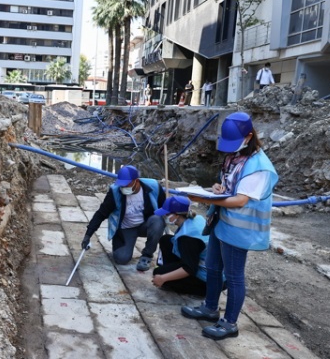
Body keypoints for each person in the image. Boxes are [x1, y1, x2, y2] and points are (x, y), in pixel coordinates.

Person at [180, 112, 278, 340]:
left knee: (234, 276)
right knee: (213, 267)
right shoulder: (235, 157)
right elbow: (229, 187)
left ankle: (229, 323)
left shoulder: (259, 166)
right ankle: (210, 308)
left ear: (249, 136)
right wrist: (217, 188)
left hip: (239, 230)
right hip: (221, 222)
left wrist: (203, 199)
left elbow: (241, 200)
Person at [81, 165, 166, 271]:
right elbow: (101, 213)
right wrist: (88, 235)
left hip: (145, 225)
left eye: (126, 185)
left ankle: (147, 256)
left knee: (157, 221)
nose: (123, 188)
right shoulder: (115, 192)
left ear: (136, 181)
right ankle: (124, 244)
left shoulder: (153, 187)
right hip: (126, 228)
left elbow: (165, 207)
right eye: (121, 185)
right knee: (121, 259)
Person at [152, 196, 214, 296]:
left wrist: (163, 278)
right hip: (205, 266)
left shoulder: (188, 238)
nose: (164, 216)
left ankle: (198, 292)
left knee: (158, 273)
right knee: (166, 240)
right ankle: (172, 271)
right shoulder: (195, 219)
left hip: (207, 282)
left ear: (176, 215)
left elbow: (189, 269)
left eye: (167, 214)